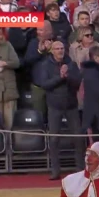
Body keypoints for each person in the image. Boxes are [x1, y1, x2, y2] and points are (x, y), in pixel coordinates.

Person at [37, 40, 83, 180]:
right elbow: (44, 84)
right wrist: (60, 77)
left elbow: (77, 83)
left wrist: (67, 76)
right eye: (57, 48)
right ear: (52, 50)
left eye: (62, 48)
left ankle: (80, 169)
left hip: (71, 105)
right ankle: (55, 170)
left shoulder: (72, 64)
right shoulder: (45, 65)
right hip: (54, 106)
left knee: (78, 138)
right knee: (54, 139)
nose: (60, 51)